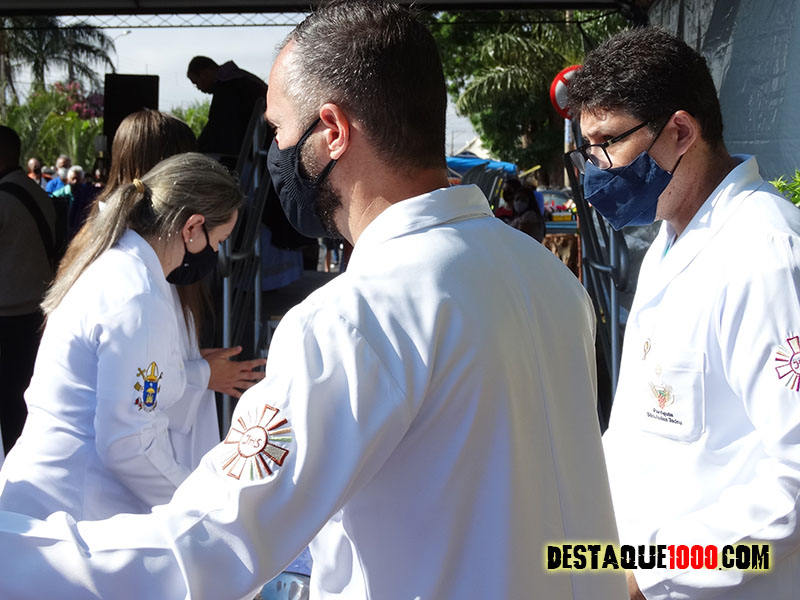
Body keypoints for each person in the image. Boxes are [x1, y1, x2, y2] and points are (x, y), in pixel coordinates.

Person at [0, 4, 625, 599]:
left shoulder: (354, 318)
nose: (275, 156)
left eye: (277, 130)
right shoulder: (549, 280)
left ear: (332, 131)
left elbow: (210, 549)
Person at [567, 27, 800, 599]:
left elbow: (792, 482)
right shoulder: (669, 244)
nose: (594, 168)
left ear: (679, 131)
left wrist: (649, 573)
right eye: (586, 148)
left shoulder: (765, 256)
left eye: (607, 142)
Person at [0, 153, 243, 522]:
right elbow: (129, 445)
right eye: (219, 240)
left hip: (57, 496)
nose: (216, 252)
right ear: (193, 227)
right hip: (68, 506)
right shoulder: (138, 298)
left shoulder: (120, 267)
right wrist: (203, 507)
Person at [57, 109, 265, 480]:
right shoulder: (136, 289)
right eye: (217, 241)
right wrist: (198, 373)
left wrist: (182, 359)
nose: (216, 251)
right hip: (103, 479)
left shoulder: (132, 258)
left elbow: (132, 363)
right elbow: (129, 437)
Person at [0, 127, 56, 456]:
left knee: (10, 404)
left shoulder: (3, 198)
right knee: (24, 401)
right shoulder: (39, 193)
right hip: (37, 312)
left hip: (8, 317)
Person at [187, 55, 268, 164]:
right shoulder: (242, 78)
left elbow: (217, 127)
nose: (198, 88)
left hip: (253, 155)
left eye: (196, 82)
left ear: (205, 73)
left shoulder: (228, 88)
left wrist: (194, 150)